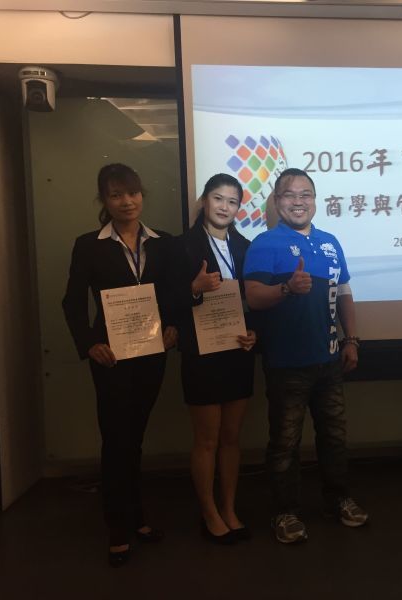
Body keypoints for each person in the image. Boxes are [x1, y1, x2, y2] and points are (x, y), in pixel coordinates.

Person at [61, 163, 179, 567]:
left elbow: (173, 295)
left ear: (142, 194)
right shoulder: (89, 245)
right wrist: (89, 344)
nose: (126, 202)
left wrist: (174, 327)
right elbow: (73, 302)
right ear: (104, 200)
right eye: (115, 195)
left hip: (150, 354)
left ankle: (137, 517)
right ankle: (117, 524)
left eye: (132, 193)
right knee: (116, 439)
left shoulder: (162, 243)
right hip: (111, 357)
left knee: (136, 437)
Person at [243, 167, 368, 544]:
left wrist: (352, 339)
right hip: (287, 364)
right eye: (289, 195)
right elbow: (251, 296)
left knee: (334, 437)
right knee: (285, 443)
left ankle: (338, 499)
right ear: (277, 202)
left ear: (315, 200)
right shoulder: (265, 243)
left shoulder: (330, 242)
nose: (298, 201)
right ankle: (285, 511)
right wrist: (286, 288)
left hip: (329, 359)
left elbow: (344, 292)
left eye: (306, 194)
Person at [176, 174, 257, 545]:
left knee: (231, 438)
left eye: (232, 201)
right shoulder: (183, 247)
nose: (224, 207)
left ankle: (229, 507)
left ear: (239, 208)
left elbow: (253, 301)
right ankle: (208, 511)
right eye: (217, 198)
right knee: (206, 440)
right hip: (201, 354)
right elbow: (167, 305)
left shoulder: (246, 246)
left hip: (237, 351)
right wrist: (194, 289)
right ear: (204, 201)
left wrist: (255, 332)